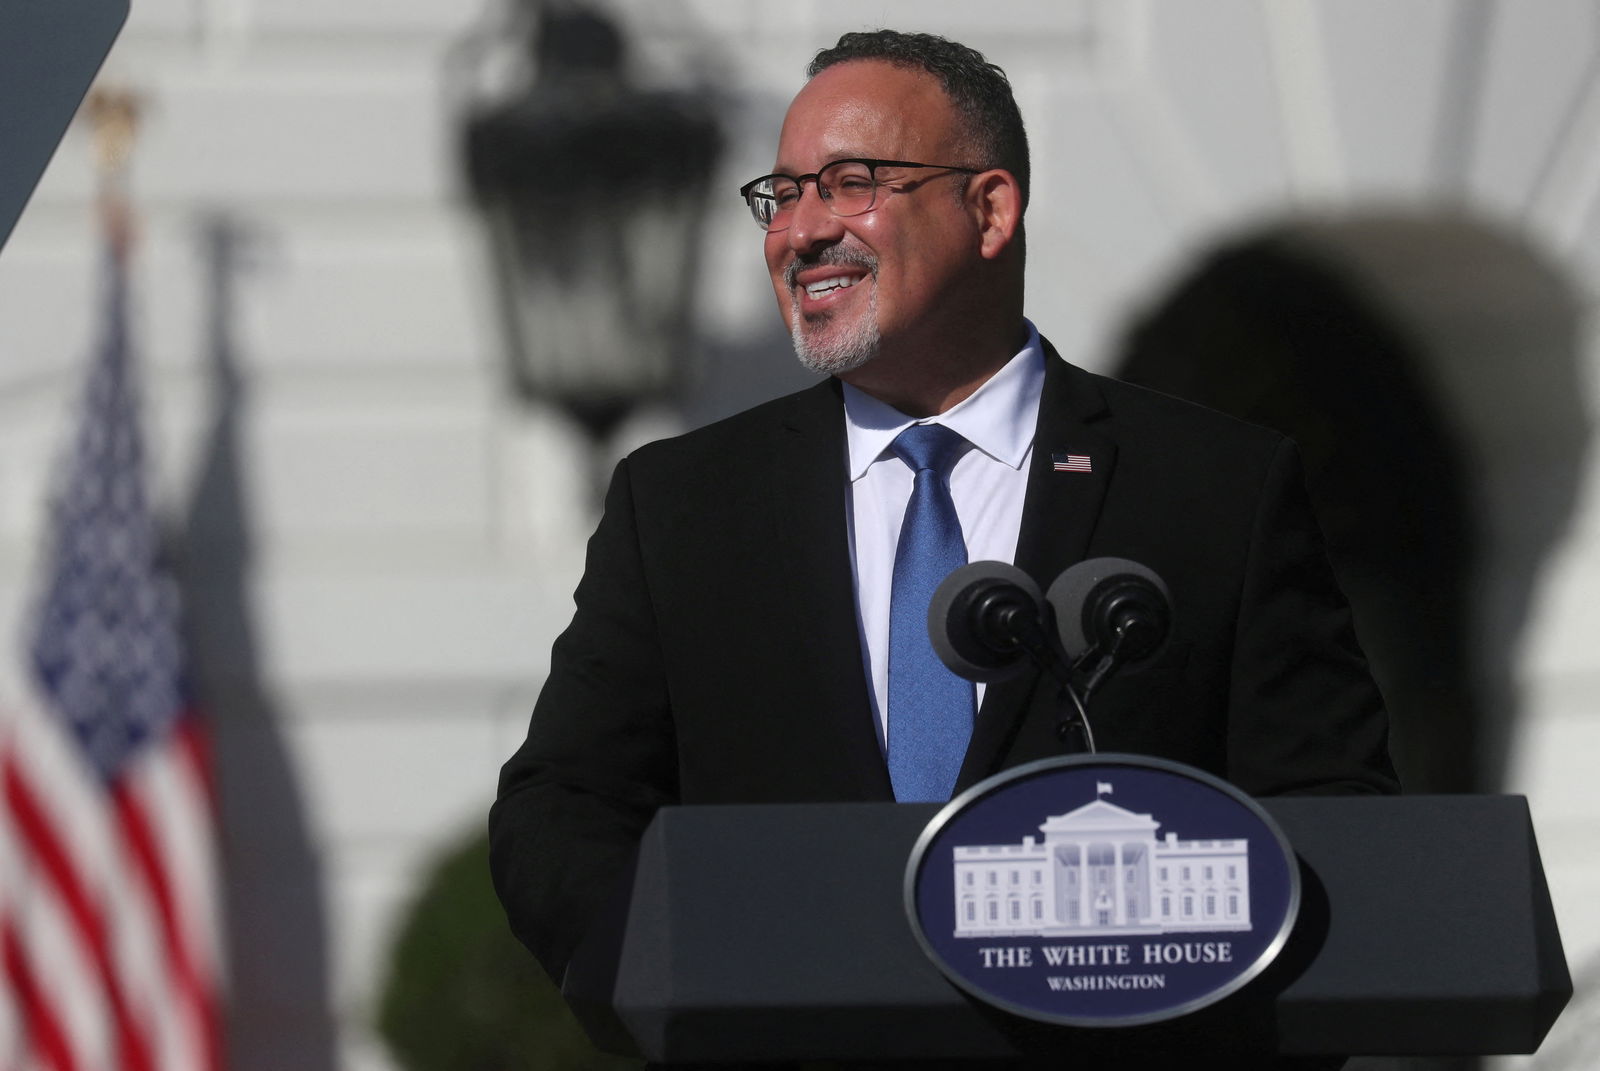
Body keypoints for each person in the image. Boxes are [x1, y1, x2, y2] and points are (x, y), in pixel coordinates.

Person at [489, 29, 1398, 986]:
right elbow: (563, 807)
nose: (800, 232)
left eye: (849, 183)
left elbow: (1332, 816)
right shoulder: (683, 504)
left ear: (989, 209)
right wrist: (680, 976)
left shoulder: (1214, 488)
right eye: (782, 195)